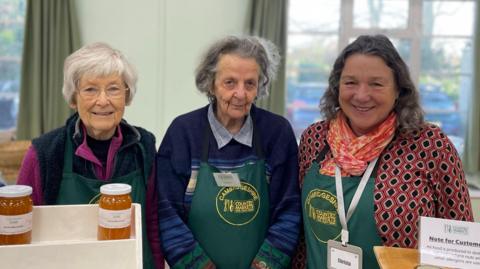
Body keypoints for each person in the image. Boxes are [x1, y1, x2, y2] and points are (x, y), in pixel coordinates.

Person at [292, 34, 473, 269]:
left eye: (376, 84)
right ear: (337, 87)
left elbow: (460, 249)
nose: (361, 95)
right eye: (350, 82)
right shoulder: (314, 140)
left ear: (398, 90)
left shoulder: (430, 145)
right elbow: (302, 240)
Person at [156, 35, 301, 269]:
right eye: (230, 82)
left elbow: (289, 213)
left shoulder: (277, 133)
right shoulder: (183, 132)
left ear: (260, 86)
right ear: (211, 83)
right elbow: (166, 213)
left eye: (250, 83)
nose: (241, 94)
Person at [17, 42, 164, 269]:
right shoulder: (45, 153)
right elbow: (21, 232)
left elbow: (152, 224)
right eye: (90, 89)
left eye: (114, 88)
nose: (103, 101)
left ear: (127, 96)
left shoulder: (143, 146)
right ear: (73, 99)